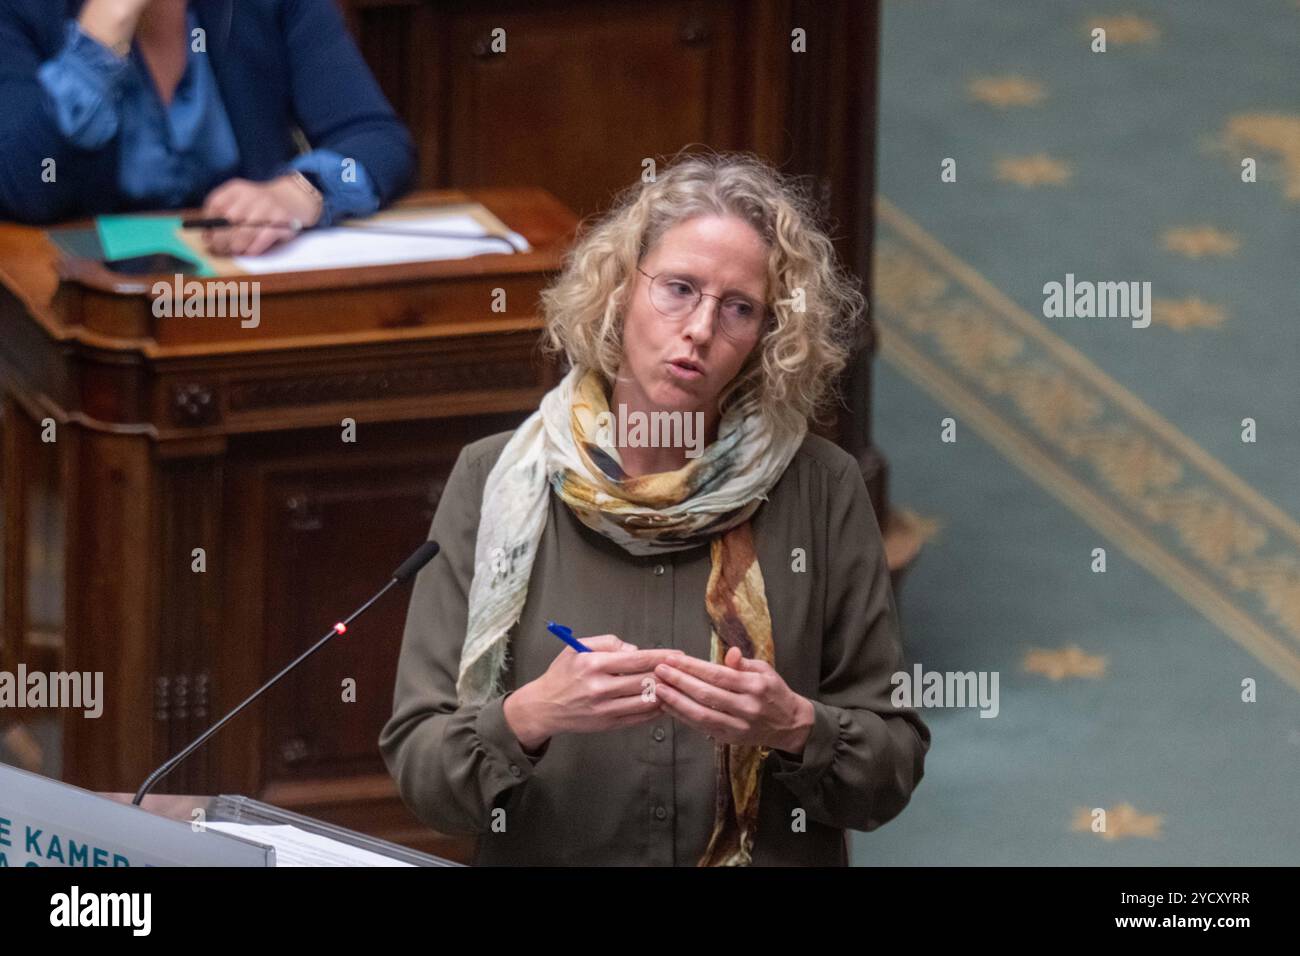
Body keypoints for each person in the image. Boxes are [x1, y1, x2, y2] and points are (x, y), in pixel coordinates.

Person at [379, 151, 931, 866]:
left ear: (767, 338)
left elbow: (889, 772)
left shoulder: (821, 488)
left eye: (738, 308)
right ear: (618, 292)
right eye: (678, 289)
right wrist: (530, 716)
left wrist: (795, 725)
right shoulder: (494, 478)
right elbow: (423, 775)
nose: (701, 329)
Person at [0, 0, 415, 256]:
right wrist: (98, 40)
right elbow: (24, 186)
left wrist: (299, 192)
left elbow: (377, 137)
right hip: (83, 310)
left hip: (245, 292)